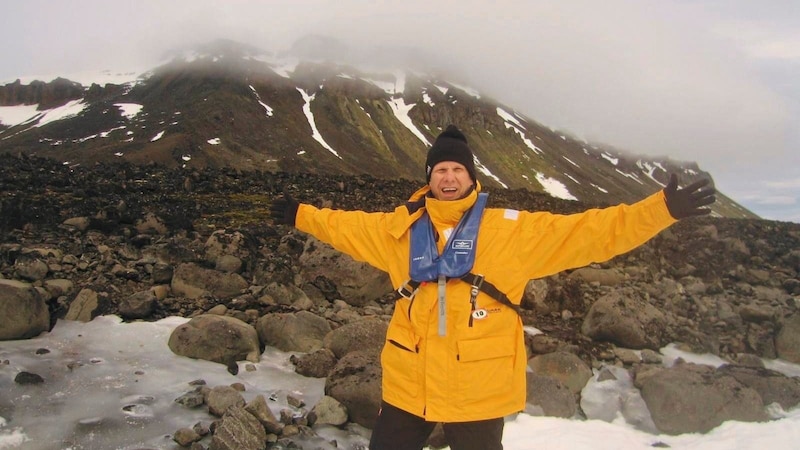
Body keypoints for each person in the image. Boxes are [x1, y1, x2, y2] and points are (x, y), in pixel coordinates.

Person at [269, 124, 715, 450]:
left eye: (456, 170)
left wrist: (661, 211)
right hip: (411, 380)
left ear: (471, 177)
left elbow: (590, 232)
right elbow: (346, 226)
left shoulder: (509, 232)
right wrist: (300, 215)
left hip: (477, 386)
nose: (447, 178)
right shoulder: (398, 230)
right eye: (439, 170)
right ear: (429, 177)